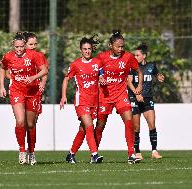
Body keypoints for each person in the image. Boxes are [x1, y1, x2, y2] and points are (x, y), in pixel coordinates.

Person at [94, 30, 144, 164]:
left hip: (121, 94)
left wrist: (139, 85)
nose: (121, 49)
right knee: (100, 125)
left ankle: (131, 154)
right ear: (111, 45)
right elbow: (96, 69)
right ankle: (94, 153)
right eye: (118, 46)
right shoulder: (101, 57)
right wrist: (100, 76)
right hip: (104, 96)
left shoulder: (128, 57)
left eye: (123, 46)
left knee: (129, 121)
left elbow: (139, 71)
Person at [0, 32, 48, 165]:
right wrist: (2, 86)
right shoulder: (8, 56)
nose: (20, 49)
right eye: (17, 47)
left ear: (24, 46)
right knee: (20, 121)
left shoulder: (34, 55)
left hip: (32, 92)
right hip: (16, 91)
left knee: (31, 124)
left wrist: (33, 78)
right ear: (13, 46)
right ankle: (22, 150)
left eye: (22, 47)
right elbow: (3, 68)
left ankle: (31, 152)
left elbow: (44, 71)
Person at [60, 36, 103, 164]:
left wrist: (102, 78)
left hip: (94, 100)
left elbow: (102, 75)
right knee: (90, 126)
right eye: (85, 49)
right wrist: (63, 96)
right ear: (80, 50)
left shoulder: (97, 62)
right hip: (81, 100)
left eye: (89, 49)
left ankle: (71, 154)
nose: (87, 51)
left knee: (83, 130)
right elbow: (66, 79)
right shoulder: (75, 65)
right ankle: (94, 155)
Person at [127, 43, 164, 160]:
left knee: (152, 124)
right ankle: (137, 152)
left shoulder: (151, 66)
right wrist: (137, 95)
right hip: (135, 99)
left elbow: (156, 73)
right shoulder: (133, 68)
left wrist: (159, 76)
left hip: (148, 100)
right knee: (136, 127)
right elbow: (129, 82)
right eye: (134, 55)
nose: (135, 57)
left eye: (137, 55)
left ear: (144, 56)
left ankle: (154, 151)